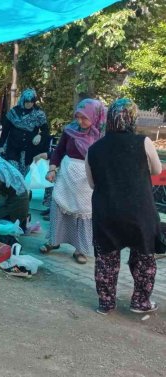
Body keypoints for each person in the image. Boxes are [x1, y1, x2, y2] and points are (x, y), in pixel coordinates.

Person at [86, 98, 162, 315]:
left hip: (106, 211)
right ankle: (140, 302)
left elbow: (92, 183)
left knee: (106, 261)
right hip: (139, 210)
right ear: (133, 118)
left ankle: (106, 303)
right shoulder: (143, 142)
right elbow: (156, 171)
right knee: (143, 259)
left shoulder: (94, 148)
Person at [40, 99, 107, 264]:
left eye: (84, 118)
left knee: (84, 213)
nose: (80, 121)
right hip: (67, 175)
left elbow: (105, 160)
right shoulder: (70, 130)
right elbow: (59, 151)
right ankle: (53, 241)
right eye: (78, 117)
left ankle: (80, 249)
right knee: (58, 207)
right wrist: (52, 169)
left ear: (95, 116)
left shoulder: (102, 136)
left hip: (87, 180)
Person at [0, 89, 49, 169]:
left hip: (29, 150)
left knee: (25, 176)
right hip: (13, 148)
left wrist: (40, 135)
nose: (29, 104)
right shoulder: (14, 112)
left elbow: (46, 130)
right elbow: (5, 131)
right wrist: (1, 146)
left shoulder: (39, 114)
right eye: (27, 102)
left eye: (32, 102)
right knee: (13, 172)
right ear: (23, 100)